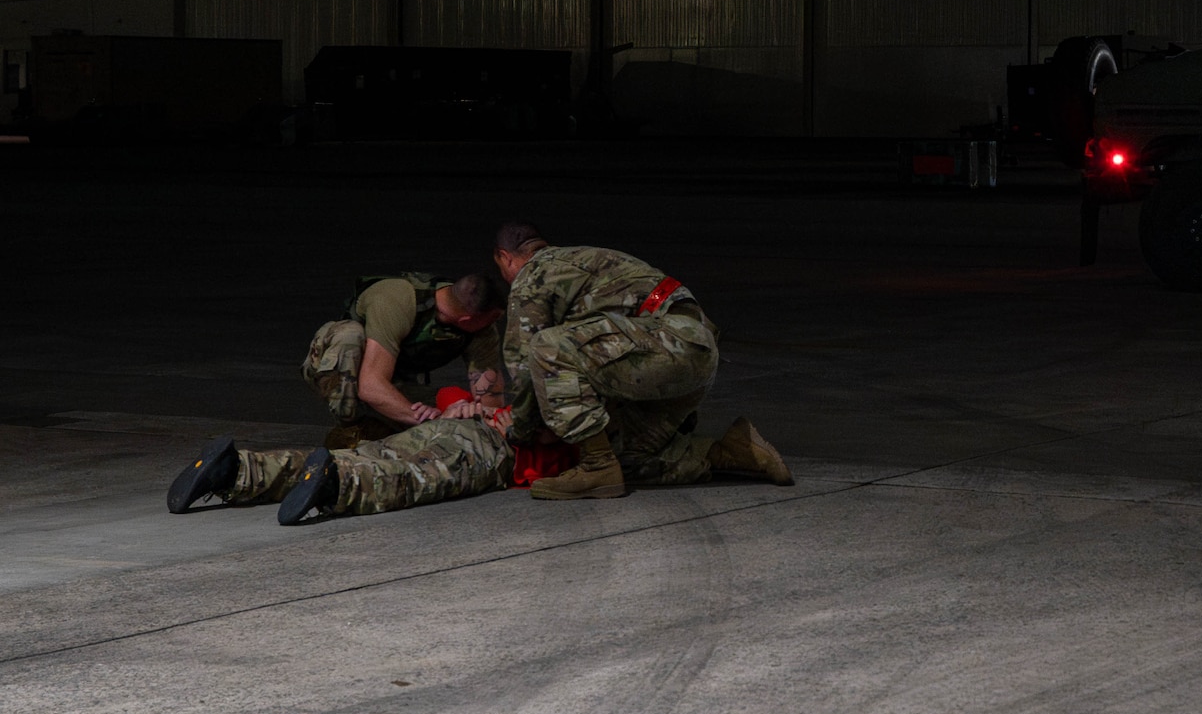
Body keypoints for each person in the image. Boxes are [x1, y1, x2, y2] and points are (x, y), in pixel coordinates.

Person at [491, 221, 793, 500]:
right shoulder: (581, 258)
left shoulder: (533, 273)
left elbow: (524, 365)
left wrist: (521, 433)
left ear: (505, 257)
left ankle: (597, 467)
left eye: (501, 269)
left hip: (668, 344)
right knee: (628, 459)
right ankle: (733, 451)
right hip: (693, 350)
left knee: (547, 347)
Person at [164, 413, 513, 524]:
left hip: (458, 423)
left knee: (362, 454)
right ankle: (340, 484)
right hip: (493, 443)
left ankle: (237, 471)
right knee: (416, 476)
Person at [302, 269, 508, 449]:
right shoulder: (397, 300)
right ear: (467, 319)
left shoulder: (480, 329)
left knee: (458, 407)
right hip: (344, 372)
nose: (495, 324)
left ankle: (381, 430)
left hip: (394, 380)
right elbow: (370, 385)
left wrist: (487, 427)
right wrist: (429, 420)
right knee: (349, 335)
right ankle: (349, 431)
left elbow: (489, 399)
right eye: (493, 319)